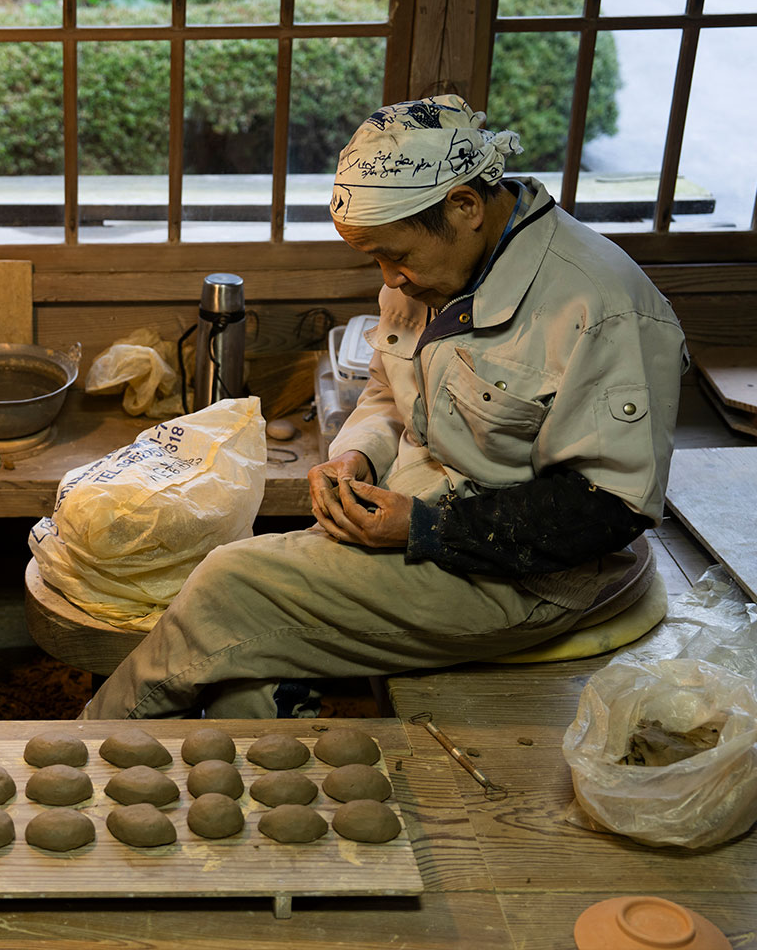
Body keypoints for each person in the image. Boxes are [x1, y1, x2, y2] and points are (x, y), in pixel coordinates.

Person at [81, 94, 688, 720]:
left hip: (525, 575)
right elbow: (386, 393)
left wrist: (427, 527)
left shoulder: (603, 309)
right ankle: (258, 762)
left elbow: (609, 508)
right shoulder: (434, 269)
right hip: (415, 513)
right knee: (243, 671)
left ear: (465, 206)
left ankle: (86, 745)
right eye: (376, 259)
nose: (389, 278)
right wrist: (358, 456)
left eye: (396, 256)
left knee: (226, 584)